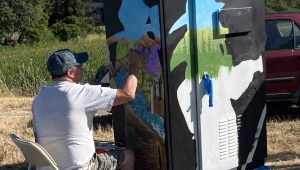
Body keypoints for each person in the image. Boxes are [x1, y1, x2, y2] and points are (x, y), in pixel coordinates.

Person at [32, 48, 140, 170]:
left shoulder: (39, 98)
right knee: (128, 156)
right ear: (70, 73)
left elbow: (37, 137)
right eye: (80, 66)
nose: (82, 68)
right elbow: (128, 94)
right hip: (82, 167)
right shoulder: (82, 93)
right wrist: (133, 65)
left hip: (50, 167)